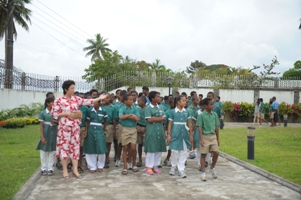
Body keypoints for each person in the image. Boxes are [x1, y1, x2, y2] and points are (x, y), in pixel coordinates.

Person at [51, 80, 108, 179]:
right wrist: (66, 114)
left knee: (75, 148)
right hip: (64, 128)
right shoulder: (59, 100)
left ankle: (75, 170)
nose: (74, 90)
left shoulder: (76, 99)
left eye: (74, 88)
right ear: (66, 89)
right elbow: (54, 114)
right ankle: (65, 170)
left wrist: (100, 98)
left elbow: (88, 101)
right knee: (64, 148)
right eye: (72, 88)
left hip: (75, 128)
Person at [167, 95, 192, 178]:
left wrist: (190, 135)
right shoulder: (173, 112)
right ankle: (173, 167)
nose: (185, 102)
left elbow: (189, 123)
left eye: (186, 101)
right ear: (178, 102)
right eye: (183, 100)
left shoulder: (187, 111)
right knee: (174, 151)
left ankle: (181, 170)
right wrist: (169, 134)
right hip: (175, 132)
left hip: (184, 133)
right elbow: (170, 124)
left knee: (183, 152)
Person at [197, 98, 220, 181]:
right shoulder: (201, 115)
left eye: (213, 104)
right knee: (203, 154)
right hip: (205, 136)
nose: (212, 106)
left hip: (213, 136)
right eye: (211, 104)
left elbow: (217, 127)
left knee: (216, 152)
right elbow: (199, 127)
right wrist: (201, 139)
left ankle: (212, 167)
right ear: (206, 106)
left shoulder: (215, 115)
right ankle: (203, 172)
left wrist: (217, 138)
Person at [83, 96, 108, 173]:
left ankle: (100, 165)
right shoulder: (89, 111)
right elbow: (87, 122)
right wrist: (86, 131)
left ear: (99, 102)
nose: (93, 103)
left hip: (99, 129)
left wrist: (103, 129)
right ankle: (92, 166)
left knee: (101, 147)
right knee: (91, 147)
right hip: (91, 129)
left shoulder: (103, 111)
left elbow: (105, 121)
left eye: (95, 102)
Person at [144, 91, 166, 175]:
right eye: (157, 97)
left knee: (158, 148)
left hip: (159, 129)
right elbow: (149, 120)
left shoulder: (161, 107)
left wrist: (154, 118)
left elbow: (164, 118)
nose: (159, 98)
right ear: (152, 98)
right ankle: (149, 167)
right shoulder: (148, 108)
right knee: (151, 148)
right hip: (151, 130)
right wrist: (158, 118)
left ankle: (155, 165)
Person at [119, 94, 140, 175]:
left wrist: (127, 116)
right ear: (125, 101)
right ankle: (125, 166)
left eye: (132, 99)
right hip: (125, 129)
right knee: (125, 148)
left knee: (133, 148)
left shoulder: (134, 108)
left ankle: (134, 163)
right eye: (130, 99)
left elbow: (138, 118)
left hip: (133, 129)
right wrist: (131, 115)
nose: (132, 101)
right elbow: (120, 117)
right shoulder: (122, 108)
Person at [36, 97, 58, 176]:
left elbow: (59, 121)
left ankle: (50, 168)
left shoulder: (56, 112)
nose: (53, 104)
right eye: (52, 102)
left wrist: (56, 122)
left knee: (53, 151)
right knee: (44, 151)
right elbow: (41, 126)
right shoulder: (43, 113)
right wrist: (42, 137)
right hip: (46, 132)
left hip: (54, 132)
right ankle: (44, 168)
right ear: (47, 103)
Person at [101, 93, 117, 168]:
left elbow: (114, 118)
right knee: (102, 142)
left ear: (111, 99)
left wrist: (114, 129)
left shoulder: (113, 107)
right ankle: (102, 158)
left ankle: (106, 158)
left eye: (107, 98)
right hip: (101, 125)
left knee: (108, 142)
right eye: (104, 98)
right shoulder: (101, 107)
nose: (106, 99)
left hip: (109, 125)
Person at [192, 100, 205, 170]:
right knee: (199, 148)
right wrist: (192, 133)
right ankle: (200, 164)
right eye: (203, 105)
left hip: (206, 131)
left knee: (206, 148)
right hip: (198, 130)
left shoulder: (210, 113)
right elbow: (194, 123)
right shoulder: (197, 113)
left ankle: (205, 161)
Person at [163, 98, 175, 166]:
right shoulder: (167, 112)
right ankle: (167, 158)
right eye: (173, 103)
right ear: (170, 104)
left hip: (177, 129)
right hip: (171, 130)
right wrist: (167, 133)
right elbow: (165, 124)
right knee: (171, 146)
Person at [136, 96, 147, 167]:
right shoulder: (137, 109)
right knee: (139, 144)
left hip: (146, 128)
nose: (138, 102)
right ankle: (140, 159)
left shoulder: (148, 109)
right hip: (138, 127)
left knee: (147, 145)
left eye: (139, 101)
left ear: (143, 101)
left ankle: (148, 160)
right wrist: (137, 127)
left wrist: (145, 129)